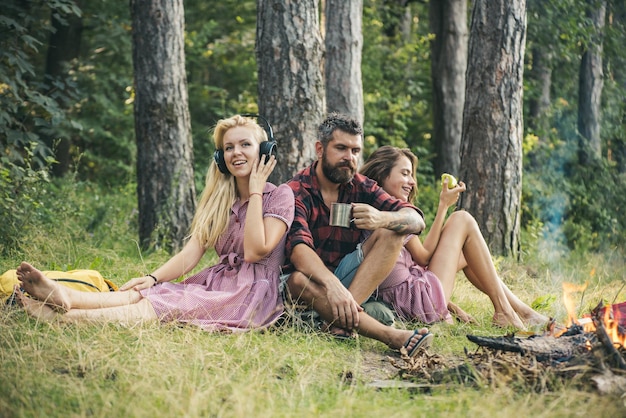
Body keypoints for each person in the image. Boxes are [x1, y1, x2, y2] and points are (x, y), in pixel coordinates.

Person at [14, 115, 295, 332]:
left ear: (265, 151)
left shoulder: (280, 196)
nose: (236, 153)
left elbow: (255, 251)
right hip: (218, 284)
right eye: (229, 147)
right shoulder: (222, 200)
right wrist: (152, 277)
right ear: (221, 158)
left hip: (251, 294)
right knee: (150, 292)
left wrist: (256, 190)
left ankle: (67, 319)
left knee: (163, 304)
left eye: (245, 144)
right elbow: (192, 252)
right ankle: (66, 296)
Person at [282, 113, 433, 357]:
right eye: (341, 148)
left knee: (393, 230)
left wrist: (382, 218)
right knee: (298, 280)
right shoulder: (296, 190)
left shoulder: (361, 186)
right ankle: (392, 337)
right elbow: (299, 250)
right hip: (308, 279)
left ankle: (339, 320)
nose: (349, 158)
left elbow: (416, 220)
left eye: (355, 151)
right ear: (320, 149)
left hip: (348, 280)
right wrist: (332, 286)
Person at [359, 145, 549, 329]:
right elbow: (424, 257)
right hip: (415, 302)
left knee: (469, 255)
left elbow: (419, 262)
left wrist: (452, 307)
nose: (412, 182)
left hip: (407, 299)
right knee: (461, 219)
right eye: (405, 173)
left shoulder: (375, 211)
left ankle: (523, 312)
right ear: (382, 174)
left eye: (412, 175)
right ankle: (505, 312)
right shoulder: (390, 216)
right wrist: (443, 206)